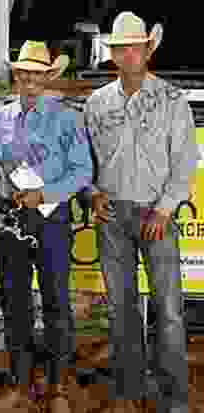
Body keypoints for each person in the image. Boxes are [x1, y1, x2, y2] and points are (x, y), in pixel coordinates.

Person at [84, 12, 197, 413]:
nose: (128, 54)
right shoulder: (96, 104)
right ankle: (129, 392)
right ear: (113, 54)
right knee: (121, 308)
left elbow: (184, 162)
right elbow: (87, 164)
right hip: (112, 214)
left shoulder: (171, 100)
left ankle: (174, 397)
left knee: (168, 311)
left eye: (135, 46)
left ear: (147, 49)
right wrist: (93, 194)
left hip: (156, 214)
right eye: (121, 48)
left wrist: (164, 211)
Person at [0, 40, 93, 412]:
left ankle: (59, 386)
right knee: (15, 304)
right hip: (11, 220)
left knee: (56, 302)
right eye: (24, 71)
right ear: (17, 75)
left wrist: (44, 194)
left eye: (36, 72)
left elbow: (83, 171)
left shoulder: (67, 117)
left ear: (47, 77)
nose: (29, 77)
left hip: (50, 219)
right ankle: (20, 384)